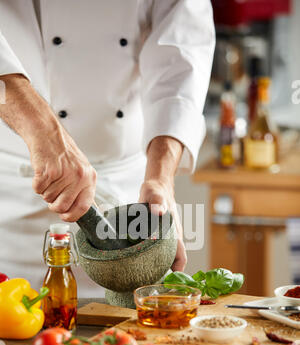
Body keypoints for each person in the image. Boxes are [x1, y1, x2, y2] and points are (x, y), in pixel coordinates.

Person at [0, 0, 215, 296]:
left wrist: (160, 179)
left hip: (126, 185)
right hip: (13, 204)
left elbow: (182, 61)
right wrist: (42, 130)